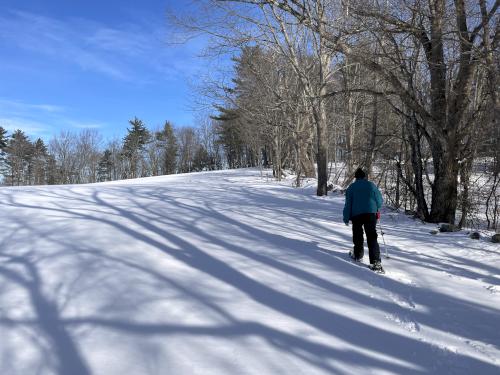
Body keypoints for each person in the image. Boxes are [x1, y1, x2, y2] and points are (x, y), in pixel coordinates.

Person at [343, 168, 384, 273]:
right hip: (370, 214)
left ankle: (358, 254)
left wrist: (346, 218)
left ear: (355, 177)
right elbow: (379, 200)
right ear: (364, 176)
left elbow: (348, 204)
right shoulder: (371, 185)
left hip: (356, 215)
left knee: (357, 235)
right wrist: (377, 207)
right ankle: (375, 262)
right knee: (372, 236)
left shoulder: (351, 188)